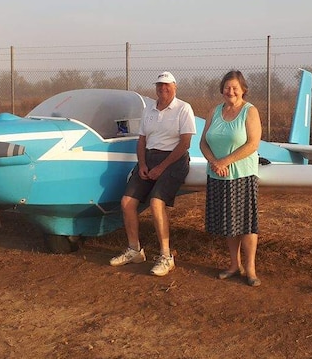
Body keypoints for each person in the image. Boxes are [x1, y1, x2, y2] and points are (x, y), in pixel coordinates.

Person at [109, 71, 197, 276]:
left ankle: (166, 256)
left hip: (174, 160)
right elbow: (142, 140)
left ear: (174, 87)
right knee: (127, 202)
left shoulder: (184, 108)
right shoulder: (149, 109)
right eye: (159, 86)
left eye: (167, 85)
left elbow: (185, 143)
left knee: (157, 203)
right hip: (149, 158)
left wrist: (162, 167)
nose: (162, 89)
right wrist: (142, 164)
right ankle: (134, 250)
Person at [199, 70, 262, 287]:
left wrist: (225, 161)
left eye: (235, 87)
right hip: (218, 175)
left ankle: (251, 269)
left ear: (243, 89)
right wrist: (215, 162)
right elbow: (203, 143)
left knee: (246, 224)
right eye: (227, 87)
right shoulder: (214, 111)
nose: (231, 91)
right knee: (229, 223)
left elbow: (253, 144)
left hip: (241, 175)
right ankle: (235, 265)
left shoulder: (250, 111)